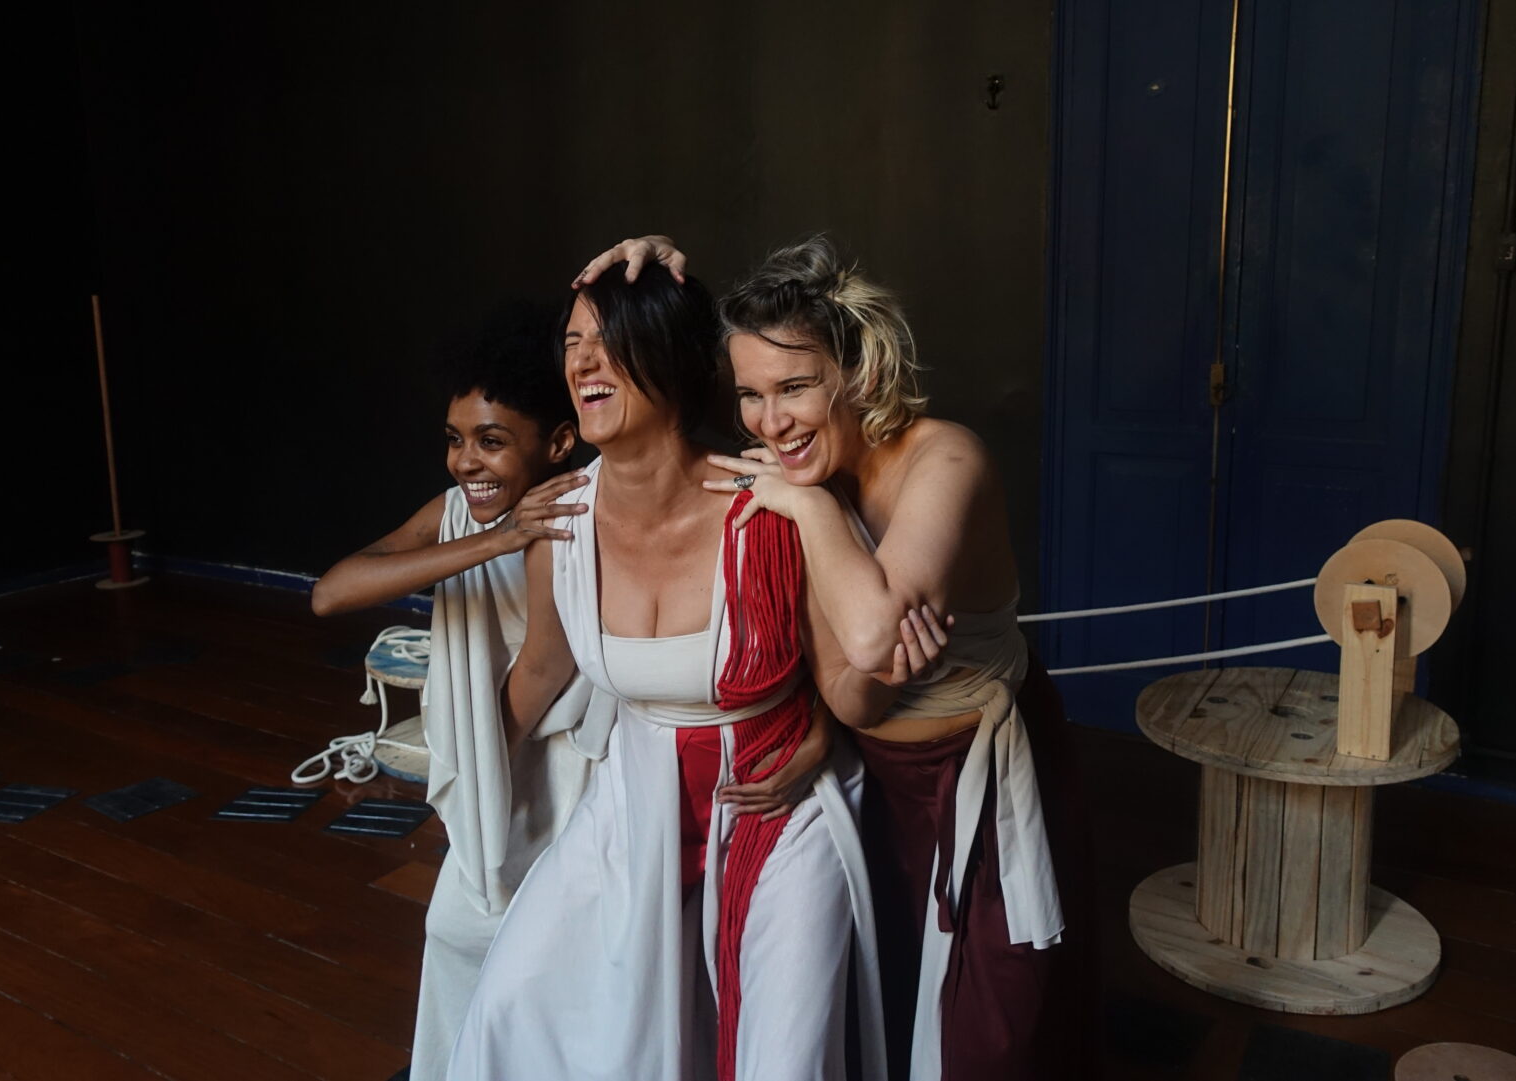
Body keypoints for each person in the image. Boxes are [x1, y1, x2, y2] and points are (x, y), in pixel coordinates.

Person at [575, 235, 1092, 1079]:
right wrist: (650, 252)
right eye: (750, 395)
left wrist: (810, 512)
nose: (770, 421)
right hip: (882, 781)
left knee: (993, 1042)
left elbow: (870, 643)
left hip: (987, 776)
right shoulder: (798, 475)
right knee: (891, 1021)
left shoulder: (945, 459)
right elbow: (856, 695)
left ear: (859, 372)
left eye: (795, 387)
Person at [448, 261, 885, 1081]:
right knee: (512, 1006)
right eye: (572, 342)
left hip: (776, 802)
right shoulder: (561, 521)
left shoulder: (771, 504)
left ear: (672, 358)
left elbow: (848, 674)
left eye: (608, 340)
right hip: (634, 803)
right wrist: (465, 792)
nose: (582, 361)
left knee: (783, 1058)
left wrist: (823, 728)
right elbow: (539, 671)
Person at [310, 302, 604, 1081]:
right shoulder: (459, 515)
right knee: (461, 936)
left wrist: (478, 780)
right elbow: (332, 592)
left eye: (492, 441)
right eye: (455, 439)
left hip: (558, 766)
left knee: (538, 951)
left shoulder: (572, 514)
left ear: (558, 442)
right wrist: (494, 537)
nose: (466, 461)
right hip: (497, 757)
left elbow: (543, 670)